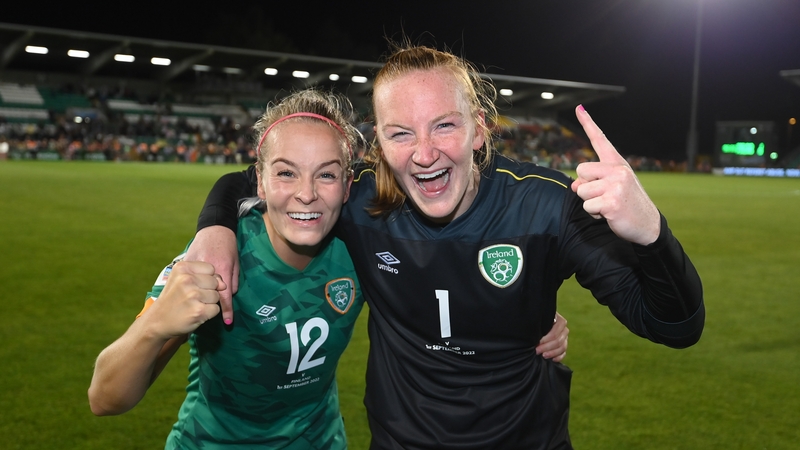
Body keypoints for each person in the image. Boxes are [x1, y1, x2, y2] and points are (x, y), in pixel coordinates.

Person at [188, 43, 702, 449]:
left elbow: (673, 325)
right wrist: (214, 227)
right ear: (380, 146)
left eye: (445, 126)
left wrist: (650, 233)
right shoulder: (360, 199)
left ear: (480, 128)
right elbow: (251, 181)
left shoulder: (546, 207)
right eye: (401, 134)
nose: (425, 153)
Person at [88, 89, 368, 449]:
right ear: (259, 181)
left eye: (326, 175)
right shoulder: (215, 256)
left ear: (347, 186)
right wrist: (155, 326)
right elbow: (105, 398)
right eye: (286, 173)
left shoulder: (360, 248)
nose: (306, 193)